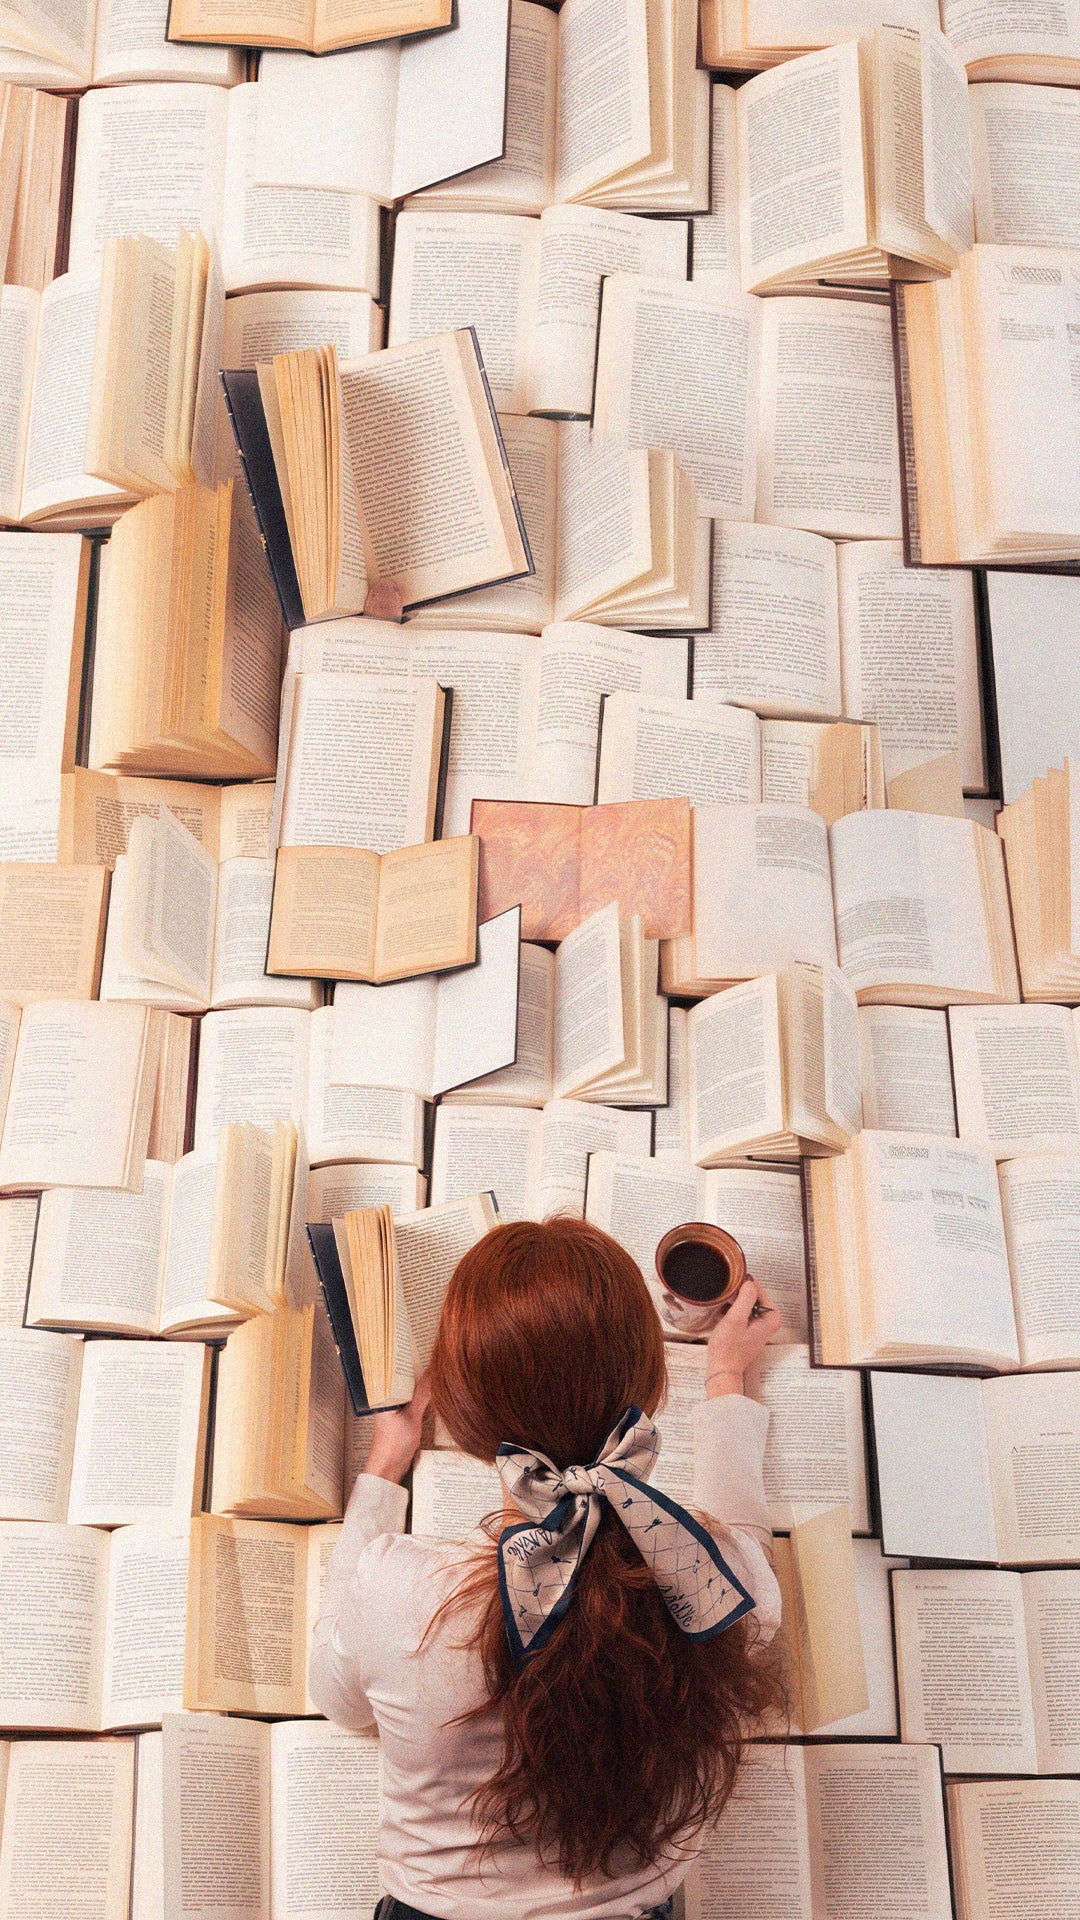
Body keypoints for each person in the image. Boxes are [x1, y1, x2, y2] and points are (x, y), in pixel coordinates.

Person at [309, 1216, 785, 1920]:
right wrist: (726, 1376)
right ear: (650, 1389)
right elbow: (744, 1543)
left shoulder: (395, 1589)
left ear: (462, 1420)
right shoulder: (711, 1579)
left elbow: (338, 1700)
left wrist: (385, 1464)